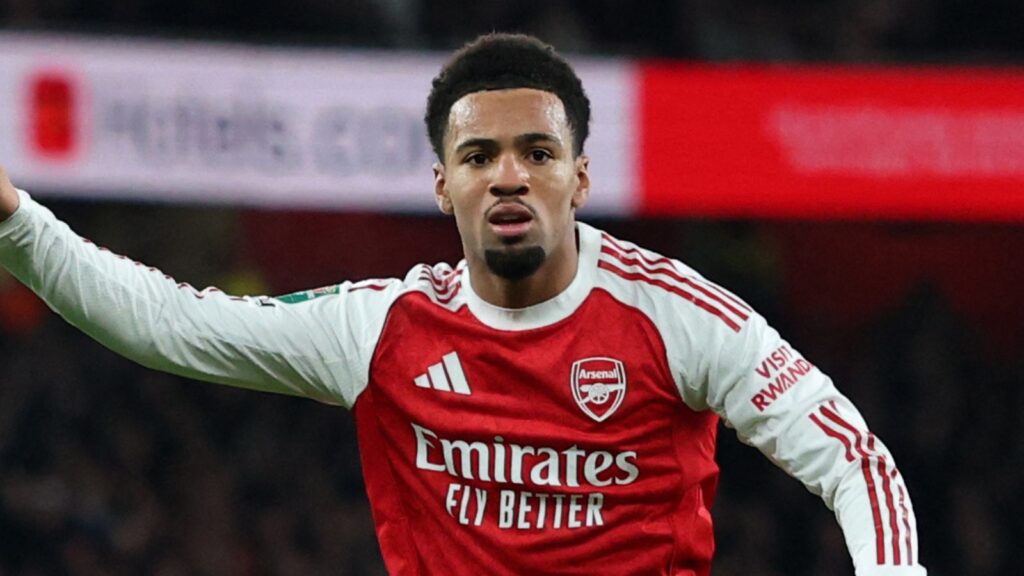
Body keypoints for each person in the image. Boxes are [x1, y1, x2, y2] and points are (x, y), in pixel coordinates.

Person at [0, 33, 925, 575]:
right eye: (480, 157)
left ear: (580, 177)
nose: (509, 175)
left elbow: (855, 461)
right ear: (444, 185)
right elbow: (168, 323)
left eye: (538, 152)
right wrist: (16, 224)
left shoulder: (676, 315)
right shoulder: (383, 328)